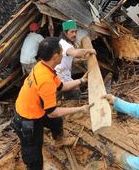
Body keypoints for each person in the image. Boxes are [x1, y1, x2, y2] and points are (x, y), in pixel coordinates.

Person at [12, 37, 94, 170]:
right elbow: (52, 112)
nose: (63, 54)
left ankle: (58, 141)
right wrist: (80, 109)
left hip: (35, 108)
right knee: (34, 156)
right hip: (27, 119)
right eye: (62, 52)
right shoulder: (45, 80)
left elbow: (62, 86)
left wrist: (81, 80)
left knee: (56, 123)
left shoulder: (43, 66)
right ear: (55, 56)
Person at [55, 20, 96, 99]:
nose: (75, 34)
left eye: (76, 32)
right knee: (73, 94)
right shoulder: (64, 44)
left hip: (63, 73)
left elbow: (72, 59)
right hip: (61, 75)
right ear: (65, 32)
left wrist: (83, 59)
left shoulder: (67, 43)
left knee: (67, 92)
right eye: (72, 32)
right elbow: (75, 53)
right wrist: (89, 50)